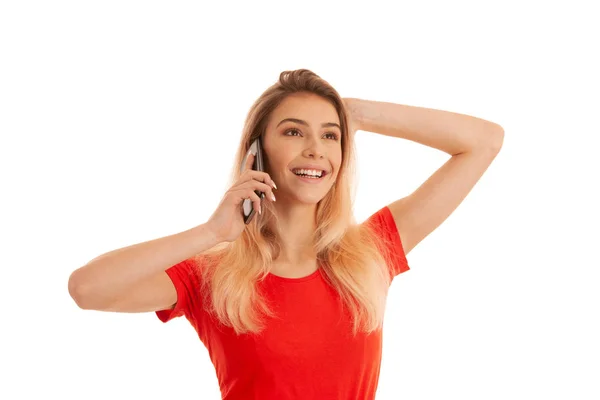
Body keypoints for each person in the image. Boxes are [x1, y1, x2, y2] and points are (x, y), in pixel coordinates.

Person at [68, 69, 503, 399]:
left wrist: (355, 112)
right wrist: (211, 231)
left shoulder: (370, 252)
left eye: (330, 136)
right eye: (294, 131)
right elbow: (87, 289)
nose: (315, 149)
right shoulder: (213, 274)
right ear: (257, 152)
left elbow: (484, 140)